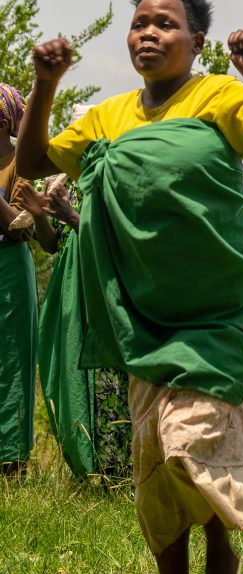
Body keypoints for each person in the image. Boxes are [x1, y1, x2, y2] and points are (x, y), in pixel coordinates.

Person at [16, 0, 243, 574]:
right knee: (152, 460)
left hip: (222, 308)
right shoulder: (108, 115)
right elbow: (37, 162)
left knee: (187, 442)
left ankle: (220, 552)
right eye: (139, 24)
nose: (148, 33)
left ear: (197, 41)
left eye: (165, 24)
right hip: (144, 317)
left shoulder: (219, 96)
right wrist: (44, 85)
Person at [39, 160, 132, 481]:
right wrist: (39, 213)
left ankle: (118, 469)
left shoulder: (117, 178)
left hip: (106, 286)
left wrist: (72, 215)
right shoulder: (57, 180)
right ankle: (85, 465)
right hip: (69, 286)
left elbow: (120, 237)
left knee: (110, 377)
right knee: (70, 369)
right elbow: (51, 243)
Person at [0, 83, 57, 476]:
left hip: (8, 268)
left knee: (12, 361)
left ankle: (9, 458)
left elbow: (23, 229)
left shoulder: (20, 163)